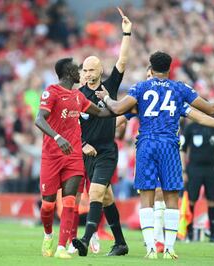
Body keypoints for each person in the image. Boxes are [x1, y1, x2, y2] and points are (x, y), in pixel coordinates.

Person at [95, 51, 214, 259]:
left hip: (146, 144)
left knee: (147, 195)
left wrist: (106, 98)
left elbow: (118, 109)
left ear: (151, 68)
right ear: (170, 69)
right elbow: (207, 110)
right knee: (172, 195)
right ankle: (170, 248)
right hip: (170, 146)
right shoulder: (179, 89)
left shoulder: (141, 87)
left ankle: (151, 249)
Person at [34, 57, 114, 259]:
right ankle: (48, 234)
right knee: (48, 205)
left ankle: (62, 247)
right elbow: (39, 119)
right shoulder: (51, 92)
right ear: (69, 72)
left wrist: (124, 106)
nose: (81, 72)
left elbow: (102, 113)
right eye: (77, 68)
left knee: (70, 201)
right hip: (51, 156)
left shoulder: (79, 97)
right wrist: (57, 137)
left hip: (72, 156)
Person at [72, 8, 132, 257]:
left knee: (96, 193)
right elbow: (71, 125)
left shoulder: (109, 86)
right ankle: (120, 243)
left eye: (91, 70)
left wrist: (126, 33)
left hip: (106, 150)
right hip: (87, 152)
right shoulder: (77, 95)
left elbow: (122, 61)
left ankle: (85, 239)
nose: (87, 74)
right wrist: (82, 142)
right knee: (105, 198)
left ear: (100, 71)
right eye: (84, 70)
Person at [181, 118, 214, 243]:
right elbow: (183, 150)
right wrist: (183, 170)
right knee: (191, 200)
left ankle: (213, 233)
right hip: (194, 169)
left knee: (213, 200)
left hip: (211, 169)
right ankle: (189, 232)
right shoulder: (190, 128)